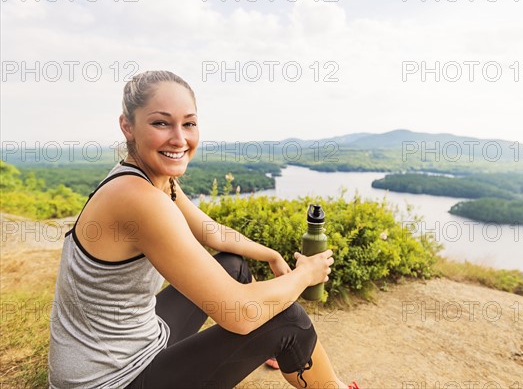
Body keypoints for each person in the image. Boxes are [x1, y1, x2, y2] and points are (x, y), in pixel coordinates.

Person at [48, 70, 360, 389]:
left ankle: (274, 349)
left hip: (138, 341)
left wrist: (272, 255)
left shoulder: (154, 180)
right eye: (161, 123)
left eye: (189, 123)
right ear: (127, 126)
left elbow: (211, 232)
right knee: (287, 320)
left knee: (234, 266)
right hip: (110, 380)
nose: (179, 138)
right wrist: (305, 275)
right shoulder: (139, 200)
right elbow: (240, 313)